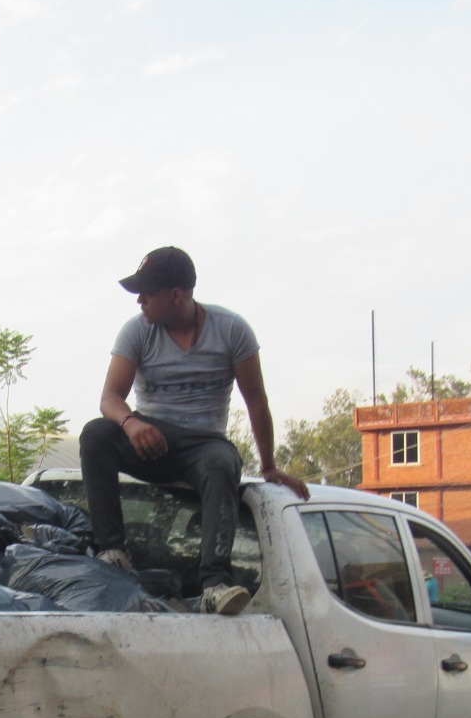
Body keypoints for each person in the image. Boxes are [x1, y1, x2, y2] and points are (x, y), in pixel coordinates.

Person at [79, 246, 309, 615]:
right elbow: (110, 398)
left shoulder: (232, 330)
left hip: (203, 446)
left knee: (222, 463)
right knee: (95, 435)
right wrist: (131, 422)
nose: (139, 300)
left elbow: (256, 401)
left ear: (176, 295)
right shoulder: (137, 331)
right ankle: (112, 553)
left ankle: (214, 584)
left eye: (147, 293)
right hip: (149, 437)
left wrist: (269, 466)